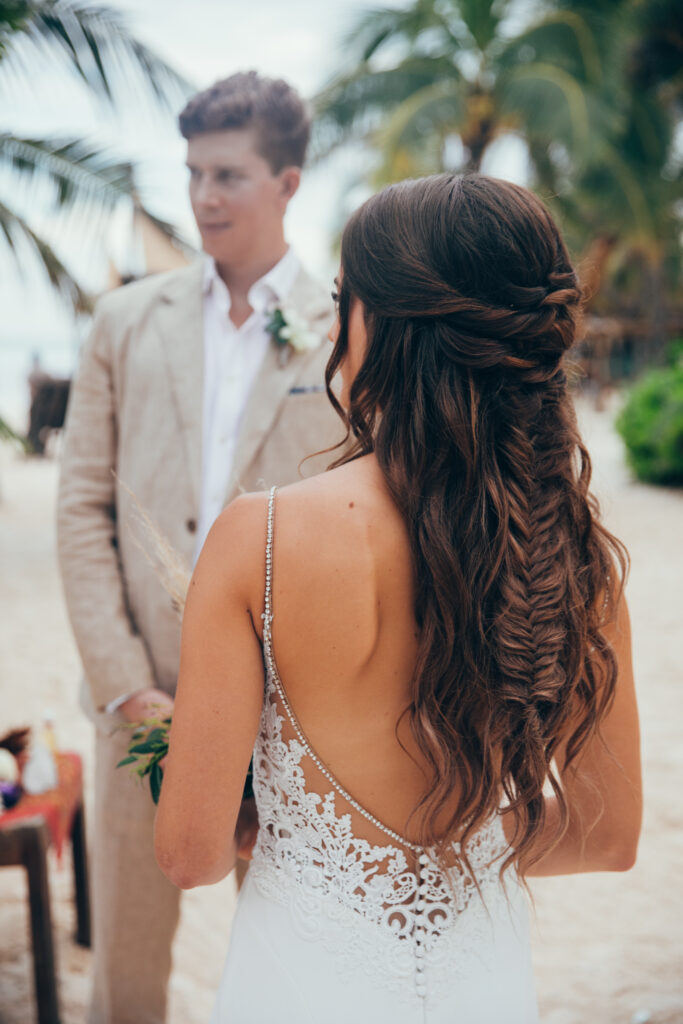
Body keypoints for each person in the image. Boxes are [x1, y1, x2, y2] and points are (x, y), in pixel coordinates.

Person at [154, 174, 642, 1022]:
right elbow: (606, 836)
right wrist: (465, 847)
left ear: (383, 328)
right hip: (477, 985)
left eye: (347, 300)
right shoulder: (569, 553)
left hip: (296, 985)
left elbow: (191, 854)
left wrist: (298, 836)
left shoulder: (258, 541)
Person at [57, 71, 340, 1024]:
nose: (203, 199)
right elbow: (81, 509)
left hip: (299, 716)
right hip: (142, 703)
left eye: (228, 175)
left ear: (288, 183)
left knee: (295, 964)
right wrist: (128, 687)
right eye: (193, 175)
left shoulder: (353, 330)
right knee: (127, 971)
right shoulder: (124, 322)